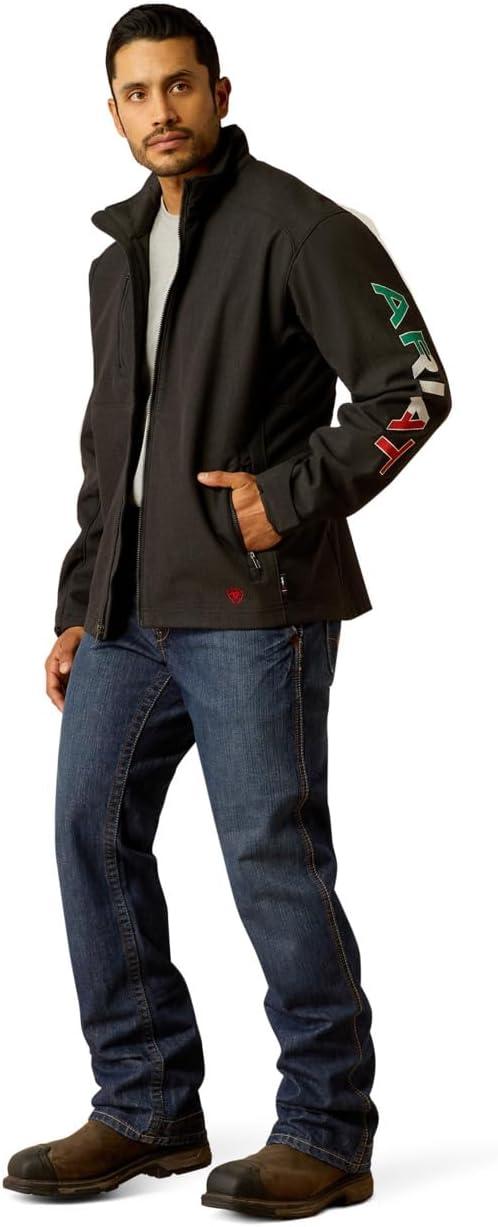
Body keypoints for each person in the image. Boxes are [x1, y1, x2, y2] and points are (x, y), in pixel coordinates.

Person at [3, 2, 451, 1214]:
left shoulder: (299, 227)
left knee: (271, 859)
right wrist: (78, 600)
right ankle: (147, 1104)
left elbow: (414, 385)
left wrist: (289, 496)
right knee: (88, 835)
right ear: (113, 110)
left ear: (219, 91)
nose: (161, 111)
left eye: (180, 86)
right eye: (136, 92)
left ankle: (327, 1129)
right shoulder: (115, 257)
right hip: (128, 611)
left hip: (259, 608)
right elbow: (112, 450)